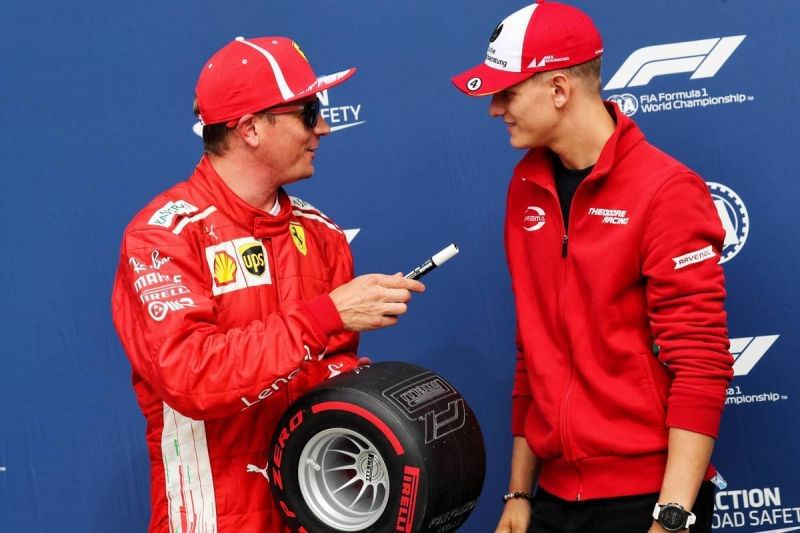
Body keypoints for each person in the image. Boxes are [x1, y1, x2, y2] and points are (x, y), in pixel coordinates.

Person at [112, 36, 424, 532]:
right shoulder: (162, 237)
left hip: (318, 512)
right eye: (307, 111)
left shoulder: (323, 235)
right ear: (251, 128)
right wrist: (325, 316)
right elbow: (191, 377)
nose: (322, 126)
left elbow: (327, 384)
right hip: (213, 516)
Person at [451, 3, 733, 532]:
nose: (494, 108)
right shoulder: (525, 187)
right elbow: (531, 351)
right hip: (553, 497)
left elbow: (700, 361)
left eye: (507, 92)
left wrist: (672, 516)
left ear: (559, 89)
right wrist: (519, 492)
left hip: (649, 500)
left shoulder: (666, 190)